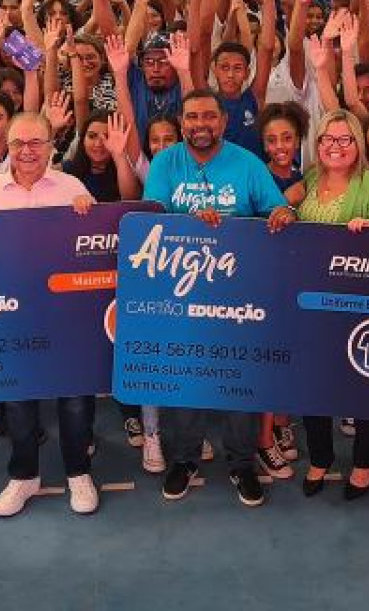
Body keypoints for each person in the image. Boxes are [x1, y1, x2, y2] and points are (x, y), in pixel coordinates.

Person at [141, 90, 298, 508]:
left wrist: (284, 214)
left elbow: (279, 211)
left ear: (224, 122)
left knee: (238, 381)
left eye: (209, 116)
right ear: (181, 122)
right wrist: (189, 224)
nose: (200, 125)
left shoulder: (247, 164)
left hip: (239, 296)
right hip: (181, 294)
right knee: (185, 382)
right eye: (192, 117)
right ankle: (183, 460)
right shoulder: (164, 162)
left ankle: (242, 463)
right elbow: (151, 221)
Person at [0, 111, 99, 518]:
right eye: (18, 144)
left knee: (76, 400)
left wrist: (90, 212)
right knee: (17, 399)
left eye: (36, 143)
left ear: (52, 146)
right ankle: (24, 474)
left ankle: (78, 472)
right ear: (7, 147)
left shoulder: (74, 188)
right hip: (11, 314)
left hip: (67, 315)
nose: (27, 152)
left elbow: (97, 247)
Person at [292, 110, 369, 499]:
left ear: (358, 145)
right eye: (327, 140)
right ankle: (320, 458)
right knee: (313, 387)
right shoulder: (309, 180)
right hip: (311, 306)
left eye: (344, 139)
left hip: (360, 308)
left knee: (361, 387)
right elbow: (288, 217)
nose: (334, 147)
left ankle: (365, 463)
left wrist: (368, 237)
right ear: (317, 146)